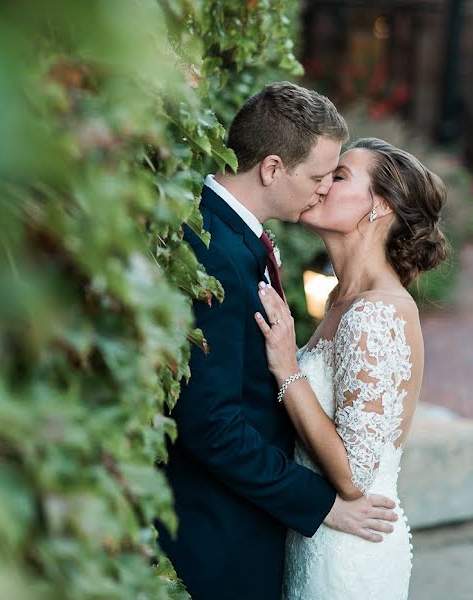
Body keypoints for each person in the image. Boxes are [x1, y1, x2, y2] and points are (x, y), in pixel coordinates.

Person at [156, 83, 399, 600]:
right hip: (217, 540)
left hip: (247, 527)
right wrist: (323, 504)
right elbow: (211, 424)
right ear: (271, 168)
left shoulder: (233, 235)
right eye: (317, 176)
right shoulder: (217, 253)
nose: (323, 190)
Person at [253, 137, 448, 599]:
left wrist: (287, 368)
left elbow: (355, 476)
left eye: (339, 177)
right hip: (315, 537)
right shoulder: (344, 302)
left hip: (349, 555)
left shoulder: (374, 314)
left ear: (378, 207)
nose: (321, 184)